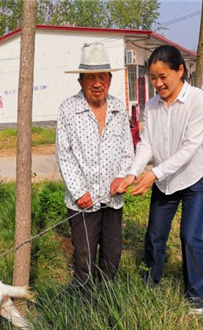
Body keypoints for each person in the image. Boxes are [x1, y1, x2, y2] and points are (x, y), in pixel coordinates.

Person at [113, 45, 203, 315]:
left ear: (180, 70)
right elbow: (147, 145)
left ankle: (199, 296)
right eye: (153, 78)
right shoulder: (152, 106)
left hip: (195, 180)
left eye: (162, 77)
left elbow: (191, 147)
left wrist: (153, 173)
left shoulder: (198, 100)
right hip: (165, 182)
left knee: (190, 236)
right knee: (155, 236)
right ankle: (151, 283)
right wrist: (133, 173)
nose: (157, 84)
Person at [56, 43, 134, 290]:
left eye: (102, 77)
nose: (97, 83)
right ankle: (85, 301)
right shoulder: (68, 109)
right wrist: (79, 192)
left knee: (112, 251)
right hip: (83, 201)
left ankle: (108, 295)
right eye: (91, 78)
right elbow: (64, 154)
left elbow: (127, 149)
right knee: (84, 254)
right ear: (80, 81)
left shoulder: (118, 108)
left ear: (110, 80)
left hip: (112, 198)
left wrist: (121, 178)